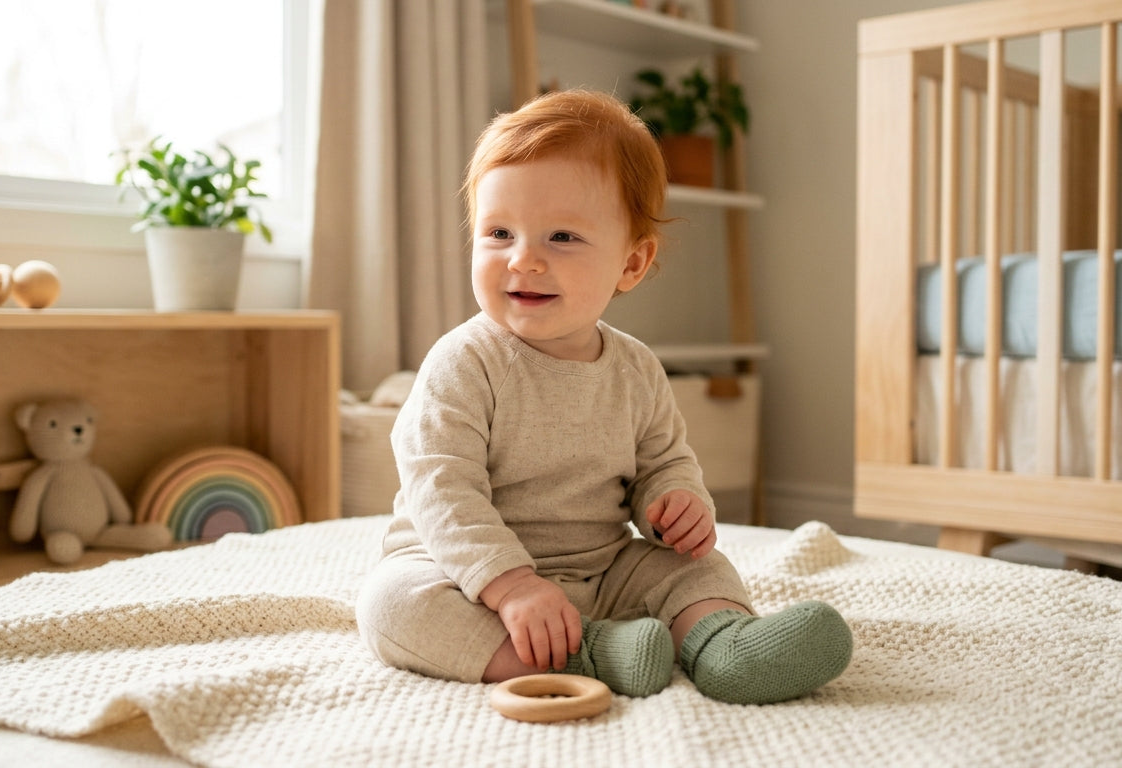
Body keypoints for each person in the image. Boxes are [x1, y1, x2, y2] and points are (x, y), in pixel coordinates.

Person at [356, 88, 852, 704]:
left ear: (631, 264)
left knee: (693, 570)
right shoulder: (464, 362)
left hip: (603, 567)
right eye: (499, 232)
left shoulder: (637, 369)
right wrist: (511, 587)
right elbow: (442, 491)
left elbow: (663, 462)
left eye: (561, 237)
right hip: (465, 572)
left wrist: (676, 504)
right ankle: (593, 651)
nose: (524, 260)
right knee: (391, 606)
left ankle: (723, 644)